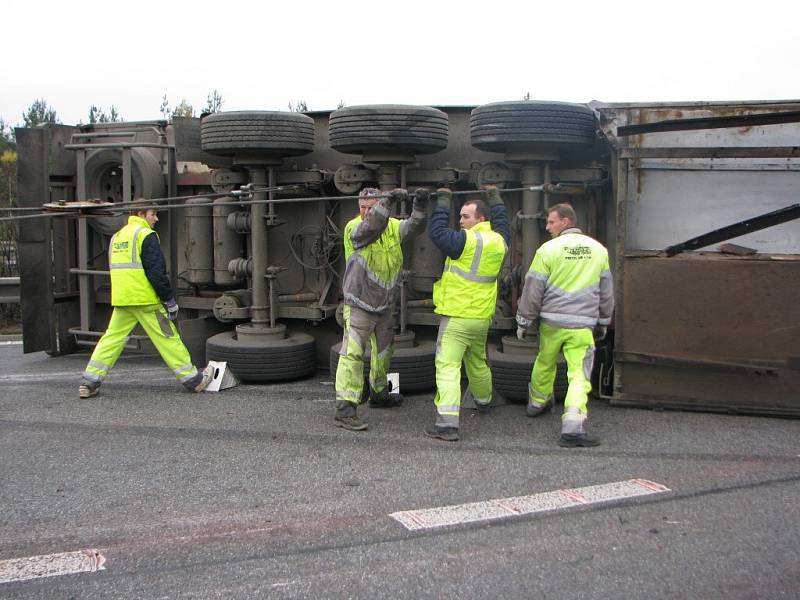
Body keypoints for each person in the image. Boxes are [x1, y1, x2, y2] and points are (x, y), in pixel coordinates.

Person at [79, 204, 213, 398]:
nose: (156, 218)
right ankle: (193, 379)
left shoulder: (117, 237)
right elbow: (156, 273)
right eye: (153, 214)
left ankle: (89, 382)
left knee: (111, 340)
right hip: (145, 299)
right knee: (168, 338)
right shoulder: (145, 235)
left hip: (123, 299)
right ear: (140, 214)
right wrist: (169, 300)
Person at [516, 203, 614, 447]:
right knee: (579, 375)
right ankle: (572, 426)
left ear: (566, 222)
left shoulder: (547, 250)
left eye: (551, 222)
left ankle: (537, 403)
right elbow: (606, 291)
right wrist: (604, 320)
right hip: (582, 325)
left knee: (545, 361)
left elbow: (532, 289)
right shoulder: (598, 250)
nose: (547, 227)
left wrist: (524, 320)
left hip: (552, 322)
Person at [334, 187, 428, 431]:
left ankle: (379, 394)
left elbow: (415, 226)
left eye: (371, 207)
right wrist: (385, 204)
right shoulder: (354, 229)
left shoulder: (394, 227)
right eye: (363, 208)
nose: (367, 212)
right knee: (352, 355)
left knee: (384, 354)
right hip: (359, 304)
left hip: (385, 305)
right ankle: (345, 409)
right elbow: (372, 228)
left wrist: (420, 205)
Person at [424, 186, 509, 441]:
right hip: (481, 318)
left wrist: (442, 201)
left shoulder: (466, 241)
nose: (461, 221)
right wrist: (496, 198)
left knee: (448, 366)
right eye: (459, 216)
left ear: (481, 219)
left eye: (465, 216)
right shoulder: (500, 241)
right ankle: (484, 401)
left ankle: (447, 424)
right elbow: (503, 221)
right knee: (476, 361)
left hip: (457, 317)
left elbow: (436, 233)